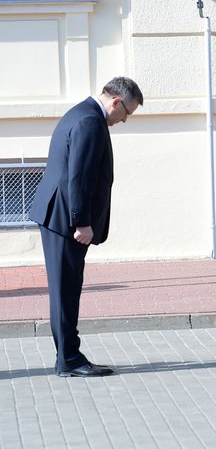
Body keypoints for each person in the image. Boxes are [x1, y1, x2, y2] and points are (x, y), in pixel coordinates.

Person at [29, 77, 143, 377]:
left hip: (58, 215)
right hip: (66, 219)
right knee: (66, 291)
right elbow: (78, 177)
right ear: (116, 102)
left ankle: (67, 356)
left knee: (65, 289)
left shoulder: (81, 114)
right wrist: (82, 222)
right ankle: (69, 360)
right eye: (126, 112)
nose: (125, 120)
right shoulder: (90, 122)